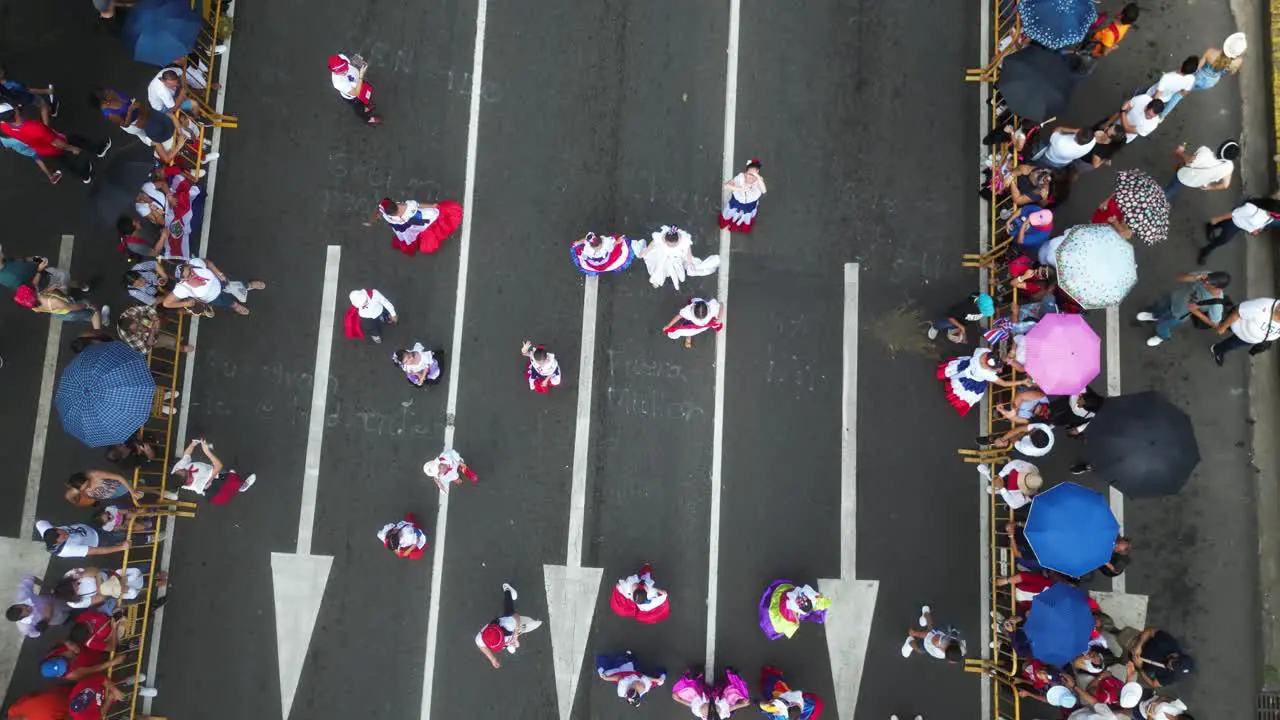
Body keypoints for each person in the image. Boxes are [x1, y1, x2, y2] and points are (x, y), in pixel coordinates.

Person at [0, 104, 108, 183]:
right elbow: (57, 143)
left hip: (43, 150)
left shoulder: (4, 126)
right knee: (77, 139)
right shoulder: (35, 128)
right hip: (56, 144)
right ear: (15, 113)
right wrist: (72, 148)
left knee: (66, 164)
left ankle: (84, 176)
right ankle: (99, 149)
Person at [1161, 33, 1247, 116]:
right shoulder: (1238, 62)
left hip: (1198, 76)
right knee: (1181, 93)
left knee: (1179, 89)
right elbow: (1230, 73)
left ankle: (1161, 95)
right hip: (1211, 82)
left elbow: (1197, 67)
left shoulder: (1211, 52)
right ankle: (1163, 115)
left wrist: (1185, 75)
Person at [1137, 271, 1231, 346]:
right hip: (1174, 298)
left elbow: (1216, 324)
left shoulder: (1216, 303)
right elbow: (1179, 277)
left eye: (1209, 284)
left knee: (1162, 325)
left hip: (1179, 314)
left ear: (1218, 288)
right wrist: (1196, 276)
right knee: (1159, 308)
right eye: (1206, 279)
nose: (1205, 283)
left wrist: (1196, 312)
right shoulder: (1206, 275)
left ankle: (1162, 336)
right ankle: (1154, 316)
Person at [937, 347, 1029, 416]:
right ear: (990, 368)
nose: (999, 370)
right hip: (972, 380)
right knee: (965, 394)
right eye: (997, 369)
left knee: (954, 373)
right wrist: (1022, 382)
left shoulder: (984, 351)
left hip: (965, 365)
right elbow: (1004, 383)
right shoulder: (986, 374)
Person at [161, 257, 265, 316]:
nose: (193, 274)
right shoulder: (181, 289)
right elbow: (166, 303)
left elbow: (207, 262)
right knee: (228, 302)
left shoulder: (195, 263)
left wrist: (218, 273)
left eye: (191, 270)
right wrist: (186, 303)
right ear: (183, 279)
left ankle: (249, 285)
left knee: (237, 284)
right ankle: (236, 306)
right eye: (189, 275)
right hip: (213, 297)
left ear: (188, 266)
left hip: (219, 281)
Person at [166, 438, 257, 503]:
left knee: (227, 472)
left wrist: (192, 445)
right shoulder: (198, 484)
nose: (181, 468)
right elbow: (218, 466)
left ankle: (232, 477)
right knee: (228, 476)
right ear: (186, 479)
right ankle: (242, 486)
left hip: (209, 471)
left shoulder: (177, 470)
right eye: (183, 471)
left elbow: (185, 457)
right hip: (213, 487)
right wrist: (207, 451)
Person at [474, 583, 542, 669]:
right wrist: (493, 659)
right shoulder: (480, 639)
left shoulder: (508, 624)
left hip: (508, 624)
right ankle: (510, 644)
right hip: (498, 627)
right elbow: (482, 646)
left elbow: (516, 617)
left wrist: (516, 634)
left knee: (510, 611)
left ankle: (507, 589)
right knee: (508, 612)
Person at [365, 197, 463, 255]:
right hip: (417, 224)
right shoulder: (408, 206)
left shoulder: (387, 213)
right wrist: (433, 206)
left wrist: (370, 222)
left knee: (412, 238)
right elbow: (419, 205)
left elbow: (377, 215)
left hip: (408, 229)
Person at [1199, 198, 1280, 263]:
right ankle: (1206, 250)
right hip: (1234, 222)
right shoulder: (1252, 209)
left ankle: (1210, 227)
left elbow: (1263, 224)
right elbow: (1232, 214)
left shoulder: (1270, 218)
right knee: (1223, 239)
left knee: (1221, 226)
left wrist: (1256, 230)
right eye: (1276, 215)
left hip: (1241, 226)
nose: (1276, 218)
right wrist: (1217, 218)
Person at [639, 225, 720, 290]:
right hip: (662, 256)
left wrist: (689, 261)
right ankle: (658, 279)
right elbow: (653, 244)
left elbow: (688, 249)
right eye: (668, 244)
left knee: (678, 270)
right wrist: (645, 252)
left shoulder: (683, 239)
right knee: (660, 268)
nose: (670, 246)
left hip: (676, 257)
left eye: (672, 245)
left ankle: (678, 280)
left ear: (677, 241)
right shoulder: (661, 237)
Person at [1211, 296, 1280, 365]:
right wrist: (1224, 326)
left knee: (1231, 345)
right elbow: (1238, 312)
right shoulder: (1262, 306)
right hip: (1239, 328)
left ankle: (1217, 350)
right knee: (1221, 324)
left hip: (1249, 339)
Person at [1164, 140, 1237, 200]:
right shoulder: (1229, 167)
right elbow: (1225, 185)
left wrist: (1181, 153)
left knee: (1174, 186)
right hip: (1198, 182)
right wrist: (1209, 187)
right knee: (1177, 185)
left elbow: (1189, 161)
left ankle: (1163, 198)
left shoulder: (1205, 151)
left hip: (1184, 176)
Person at [759, 580, 830, 640]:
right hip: (782, 612)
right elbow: (795, 622)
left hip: (784, 603)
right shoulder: (792, 613)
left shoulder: (796, 598)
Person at [596, 651, 665, 707]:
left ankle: (628, 657)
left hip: (624, 673)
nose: (632, 688)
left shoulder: (622, 687)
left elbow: (618, 677)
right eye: (633, 690)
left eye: (630, 690)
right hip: (635, 674)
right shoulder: (644, 687)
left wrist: (606, 678)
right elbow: (645, 678)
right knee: (659, 680)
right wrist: (658, 680)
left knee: (620, 664)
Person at [117, 304, 192, 355]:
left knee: (162, 316)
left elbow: (147, 308)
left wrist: (155, 319)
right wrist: (151, 333)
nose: (139, 326)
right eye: (136, 328)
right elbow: (145, 349)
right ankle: (183, 349)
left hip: (146, 322)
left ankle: (189, 312)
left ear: (132, 318)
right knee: (171, 341)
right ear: (131, 331)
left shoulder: (130, 313)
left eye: (136, 323)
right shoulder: (129, 337)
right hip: (147, 339)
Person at [328, 53, 381, 125]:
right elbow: (356, 93)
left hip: (359, 82)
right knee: (360, 108)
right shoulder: (339, 83)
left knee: (367, 96)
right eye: (343, 70)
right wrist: (361, 76)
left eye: (346, 66)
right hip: (353, 97)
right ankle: (368, 119)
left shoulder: (341, 57)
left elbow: (352, 60)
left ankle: (367, 106)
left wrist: (361, 63)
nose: (346, 69)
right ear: (336, 72)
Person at [16, 285, 107, 326]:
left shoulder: (33, 306)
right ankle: (104, 320)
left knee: (85, 317)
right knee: (91, 312)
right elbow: (73, 307)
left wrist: (49, 290)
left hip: (58, 314)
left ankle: (97, 319)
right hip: (70, 311)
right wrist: (86, 305)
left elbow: (39, 308)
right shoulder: (54, 301)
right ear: (34, 293)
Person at [35, 520, 129, 559]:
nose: (67, 535)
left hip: (91, 528)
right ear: (57, 543)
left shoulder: (46, 528)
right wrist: (121, 548)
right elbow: (97, 551)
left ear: (55, 528)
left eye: (63, 532)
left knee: (121, 526)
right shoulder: (67, 550)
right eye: (64, 538)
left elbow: (39, 523)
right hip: (99, 541)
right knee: (124, 535)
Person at [757, 666, 823, 720]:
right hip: (809, 704)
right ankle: (773, 676)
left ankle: (772, 676)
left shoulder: (795, 701)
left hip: (811, 704)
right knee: (771, 692)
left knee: (770, 692)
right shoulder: (786, 709)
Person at [719, 159, 767, 232]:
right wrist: (739, 189)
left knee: (745, 216)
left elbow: (764, 191)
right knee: (731, 212)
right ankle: (726, 222)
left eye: (755, 174)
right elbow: (726, 186)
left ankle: (739, 225)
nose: (752, 177)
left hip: (750, 204)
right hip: (737, 202)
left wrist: (757, 177)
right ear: (746, 172)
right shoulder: (740, 178)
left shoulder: (758, 181)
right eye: (750, 174)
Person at [927, 292, 994, 342]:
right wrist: (962, 327)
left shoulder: (987, 300)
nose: (984, 313)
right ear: (977, 305)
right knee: (943, 323)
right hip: (955, 318)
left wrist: (962, 329)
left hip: (964, 321)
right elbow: (950, 317)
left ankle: (953, 328)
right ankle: (935, 327)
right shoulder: (964, 307)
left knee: (955, 328)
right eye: (984, 311)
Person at [976, 459, 1041, 510]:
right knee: (993, 473)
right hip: (1008, 476)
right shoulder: (1030, 468)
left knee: (993, 487)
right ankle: (989, 475)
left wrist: (1001, 487)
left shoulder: (1019, 501)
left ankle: (998, 490)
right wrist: (1000, 476)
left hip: (1009, 489)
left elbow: (1010, 501)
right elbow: (1013, 464)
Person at [569, 232, 644, 275]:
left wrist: (577, 243)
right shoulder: (600, 245)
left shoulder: (591, 247)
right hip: (600, 257)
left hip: (599, 258)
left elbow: (583, 243)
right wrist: (619, 241)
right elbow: (613, 245)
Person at [64, 469, 143, 508]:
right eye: (84, 488)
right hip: (112, 495)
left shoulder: (95, 474)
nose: (87, 487)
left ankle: (153, 490)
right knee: (134, 496)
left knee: (141, 486)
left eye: (87, 484)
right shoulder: (77, 489)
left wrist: (132, 492)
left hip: (120, 486)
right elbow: (68, 497)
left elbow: (119, 477)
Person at [1032, 128, 1097, 169]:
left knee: (1040, 148)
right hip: (1063, 162)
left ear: (1077, 132)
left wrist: (1073, 130)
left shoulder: (1061, 142)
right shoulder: (1093, 141)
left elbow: (1057, 129)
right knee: (1046, 167)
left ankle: (1031, 161)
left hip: (1049, 157)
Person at [5, 685, 71, 720]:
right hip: (72, 702)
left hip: (67, 694)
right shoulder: (12, 711)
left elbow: (32, 695)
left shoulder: (12, 710)